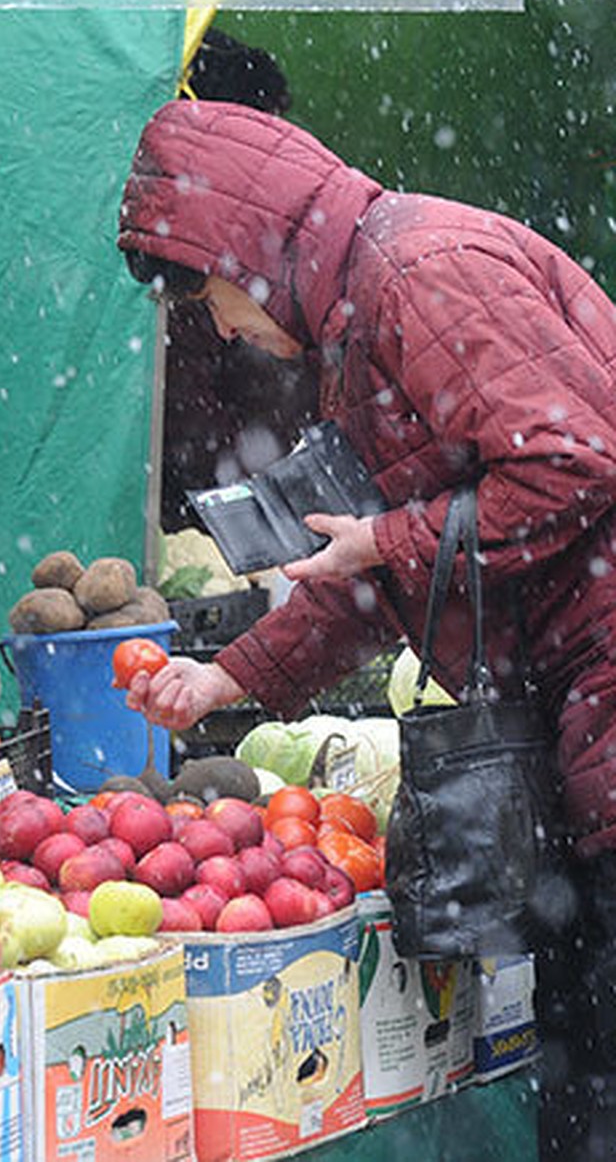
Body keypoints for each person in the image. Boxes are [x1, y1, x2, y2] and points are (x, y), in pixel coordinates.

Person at [117, 98, 616, 1160]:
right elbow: (377, 570)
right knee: (583, 1061)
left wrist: (389, 539)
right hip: (579, 711)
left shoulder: (415, 271)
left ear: (246, 249)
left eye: (208, 295)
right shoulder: (357, 319)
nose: (219, 328)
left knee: (600, 1064)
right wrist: (227, 680)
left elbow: (572, 461)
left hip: (601, 686)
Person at [159, 28, 316, 534]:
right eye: (265, 134)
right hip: (219, 512)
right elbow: (191, 425)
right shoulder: (189, 261)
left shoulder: (272, 243)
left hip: (255, 500)